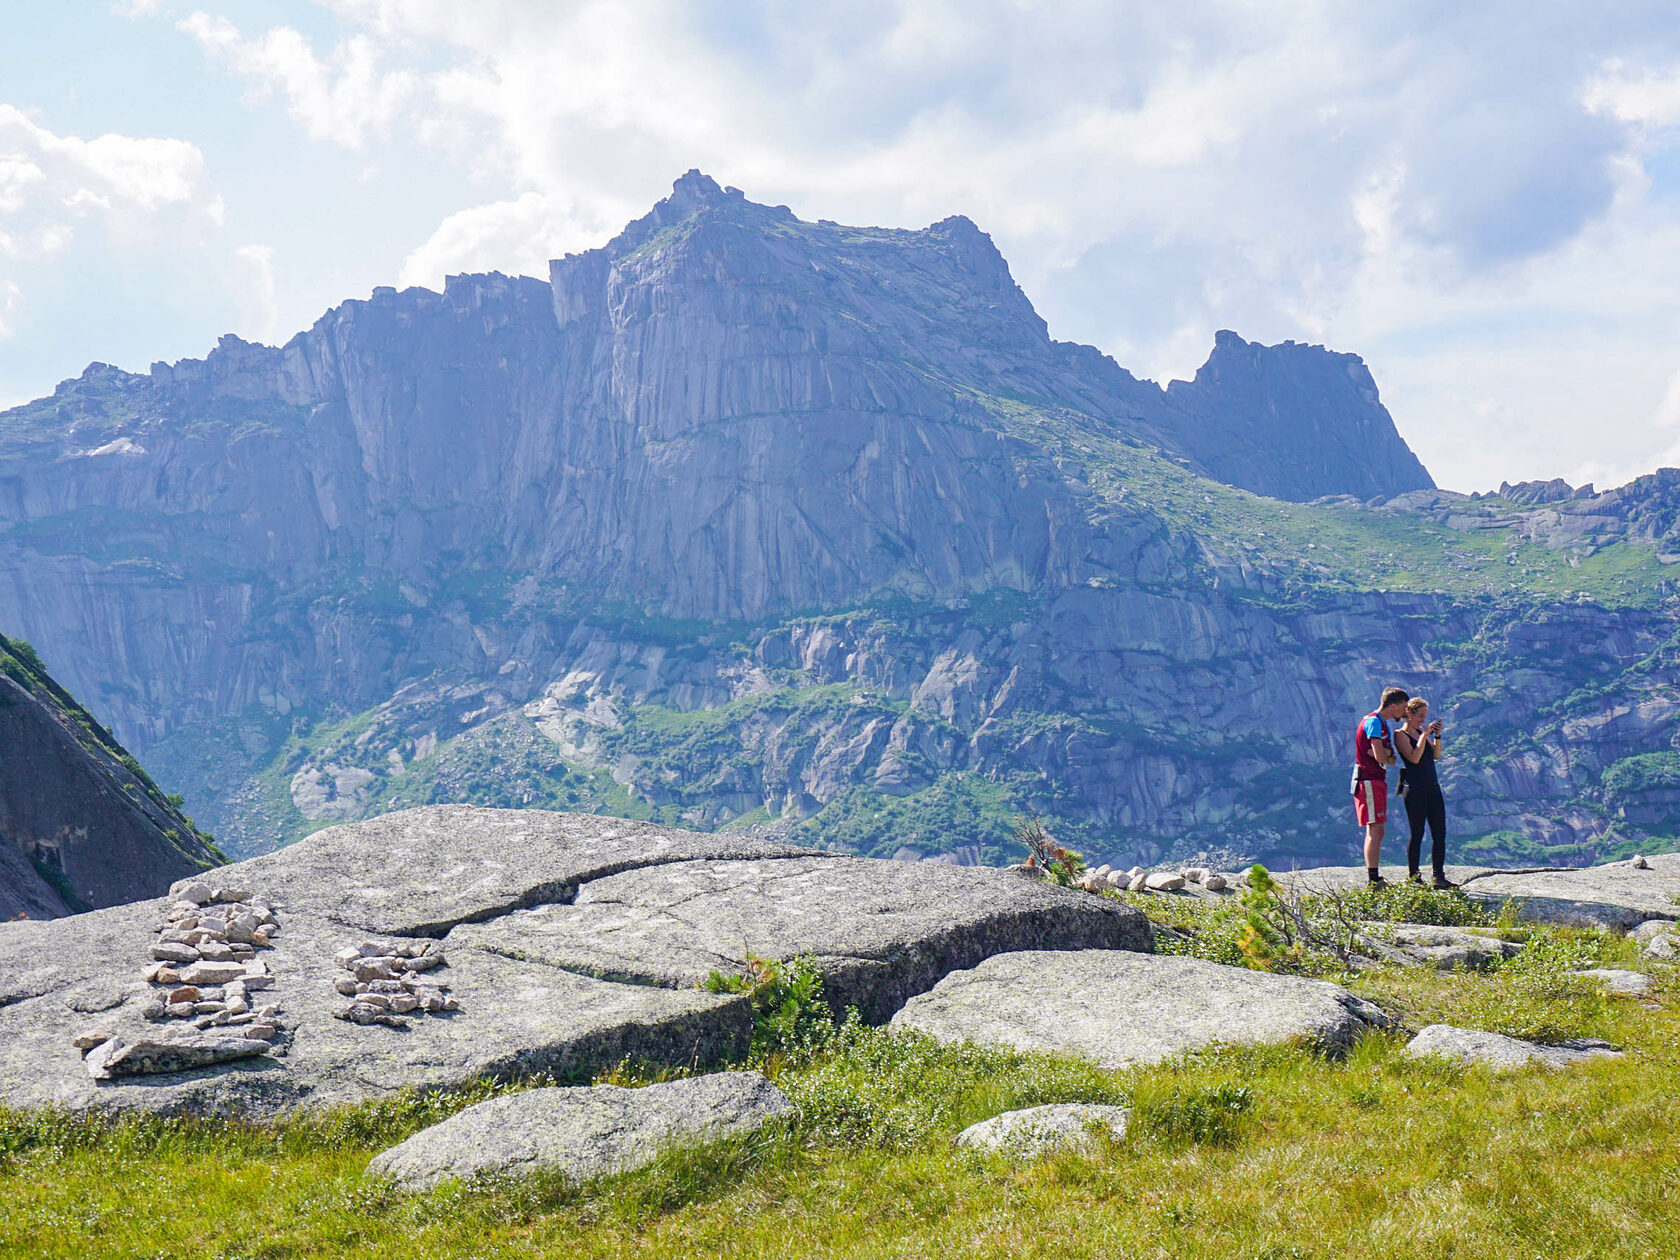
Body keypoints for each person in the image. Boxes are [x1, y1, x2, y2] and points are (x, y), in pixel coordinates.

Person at [1394, 697, 1456, 889]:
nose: (1423, 720)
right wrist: (1423, 736)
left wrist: (1436, 736)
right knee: (1417, 832)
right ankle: (1414, 876)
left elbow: (1436, 755)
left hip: (1432, 787)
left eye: (1425, 717)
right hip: (1415, 789)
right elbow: (1414, 758)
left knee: (1439, 832)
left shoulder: (1422, 731)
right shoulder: (1400, 735)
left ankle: (1438, 876)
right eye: (1420, 716)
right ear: (1409, 714)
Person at [1353, 686, 1409, 887]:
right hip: (1368, 780)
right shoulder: (1374, 723)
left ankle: (1374, 876)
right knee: (1375, 830)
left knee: (1378, 830)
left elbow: (1390, 760)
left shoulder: (1382, 725)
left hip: (1376, 780)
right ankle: (1373, 879)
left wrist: (1385, 755)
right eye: (1403, 707)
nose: (1404, 712)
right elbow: (1380, 757)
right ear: (1393, 705)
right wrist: (1384, 754)